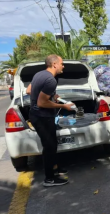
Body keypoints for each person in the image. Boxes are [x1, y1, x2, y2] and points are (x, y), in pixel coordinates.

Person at [29, 54, 75, 187]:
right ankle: (49, 179)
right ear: (54, 64)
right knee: (49, 147)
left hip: (36, 115)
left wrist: (53, 95)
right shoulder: (51, 80)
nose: (63, 66)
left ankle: (55, 168)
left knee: (52, 144)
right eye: (62, 63)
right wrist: (63, 106)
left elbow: (29, 90)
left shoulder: (39, 74)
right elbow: (42, 103)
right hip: (42, 117)